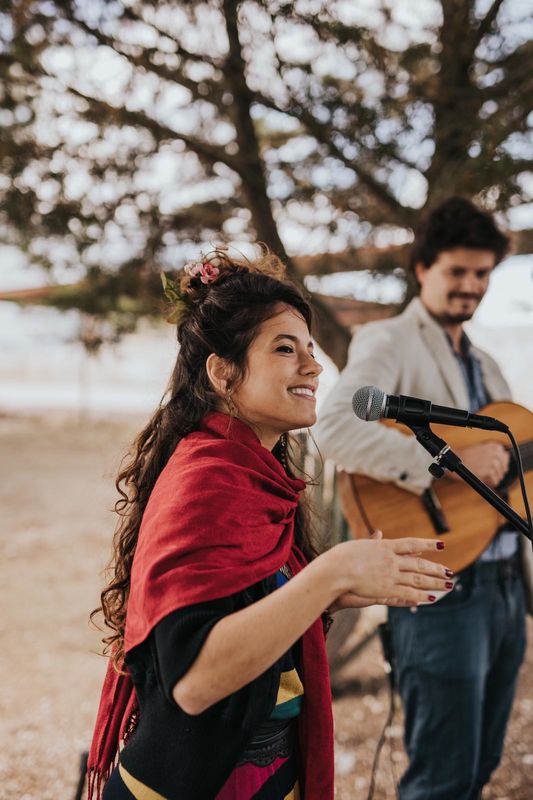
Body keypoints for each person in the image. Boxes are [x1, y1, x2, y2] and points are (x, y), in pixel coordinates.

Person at [87, 247, 453, 800]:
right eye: (286, 349)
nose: (314, 366)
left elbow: (241, 598)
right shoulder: (206, 481)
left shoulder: (251, 472)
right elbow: (194, 681)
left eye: (310, 349)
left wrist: (338, 591)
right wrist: (327, 575)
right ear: (223, 373)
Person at [315, 197, 532, 800]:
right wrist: (448, 467)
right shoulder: (389, 339)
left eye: (482, 274)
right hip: (439, 587)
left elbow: (509, 474)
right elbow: (333, 426)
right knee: (439, 780)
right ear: (422, 270)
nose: (471, 286)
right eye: (457, 272)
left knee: (482, 763)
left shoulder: (487, 365)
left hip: (506, 583)